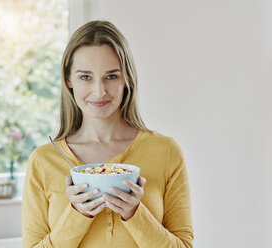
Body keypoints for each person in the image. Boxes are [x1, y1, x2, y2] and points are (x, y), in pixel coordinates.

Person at [22, 20, 193, 248]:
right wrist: (77, 214)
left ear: (127, 79)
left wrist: (135, 213)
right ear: (68, 79)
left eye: (111, 76)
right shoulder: (43, 161)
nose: (99, 91)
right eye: (85, 77)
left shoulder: (166, 152)